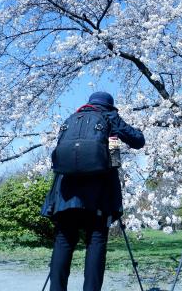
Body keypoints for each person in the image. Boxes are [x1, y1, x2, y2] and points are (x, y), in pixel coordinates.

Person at [41, 91, 145, 291]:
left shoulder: (71, 120)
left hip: (66, 194)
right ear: (109, 106)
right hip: (98, 196)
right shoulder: (109, 117)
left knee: (63, 241)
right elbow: (138, 140)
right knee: (96, 242)